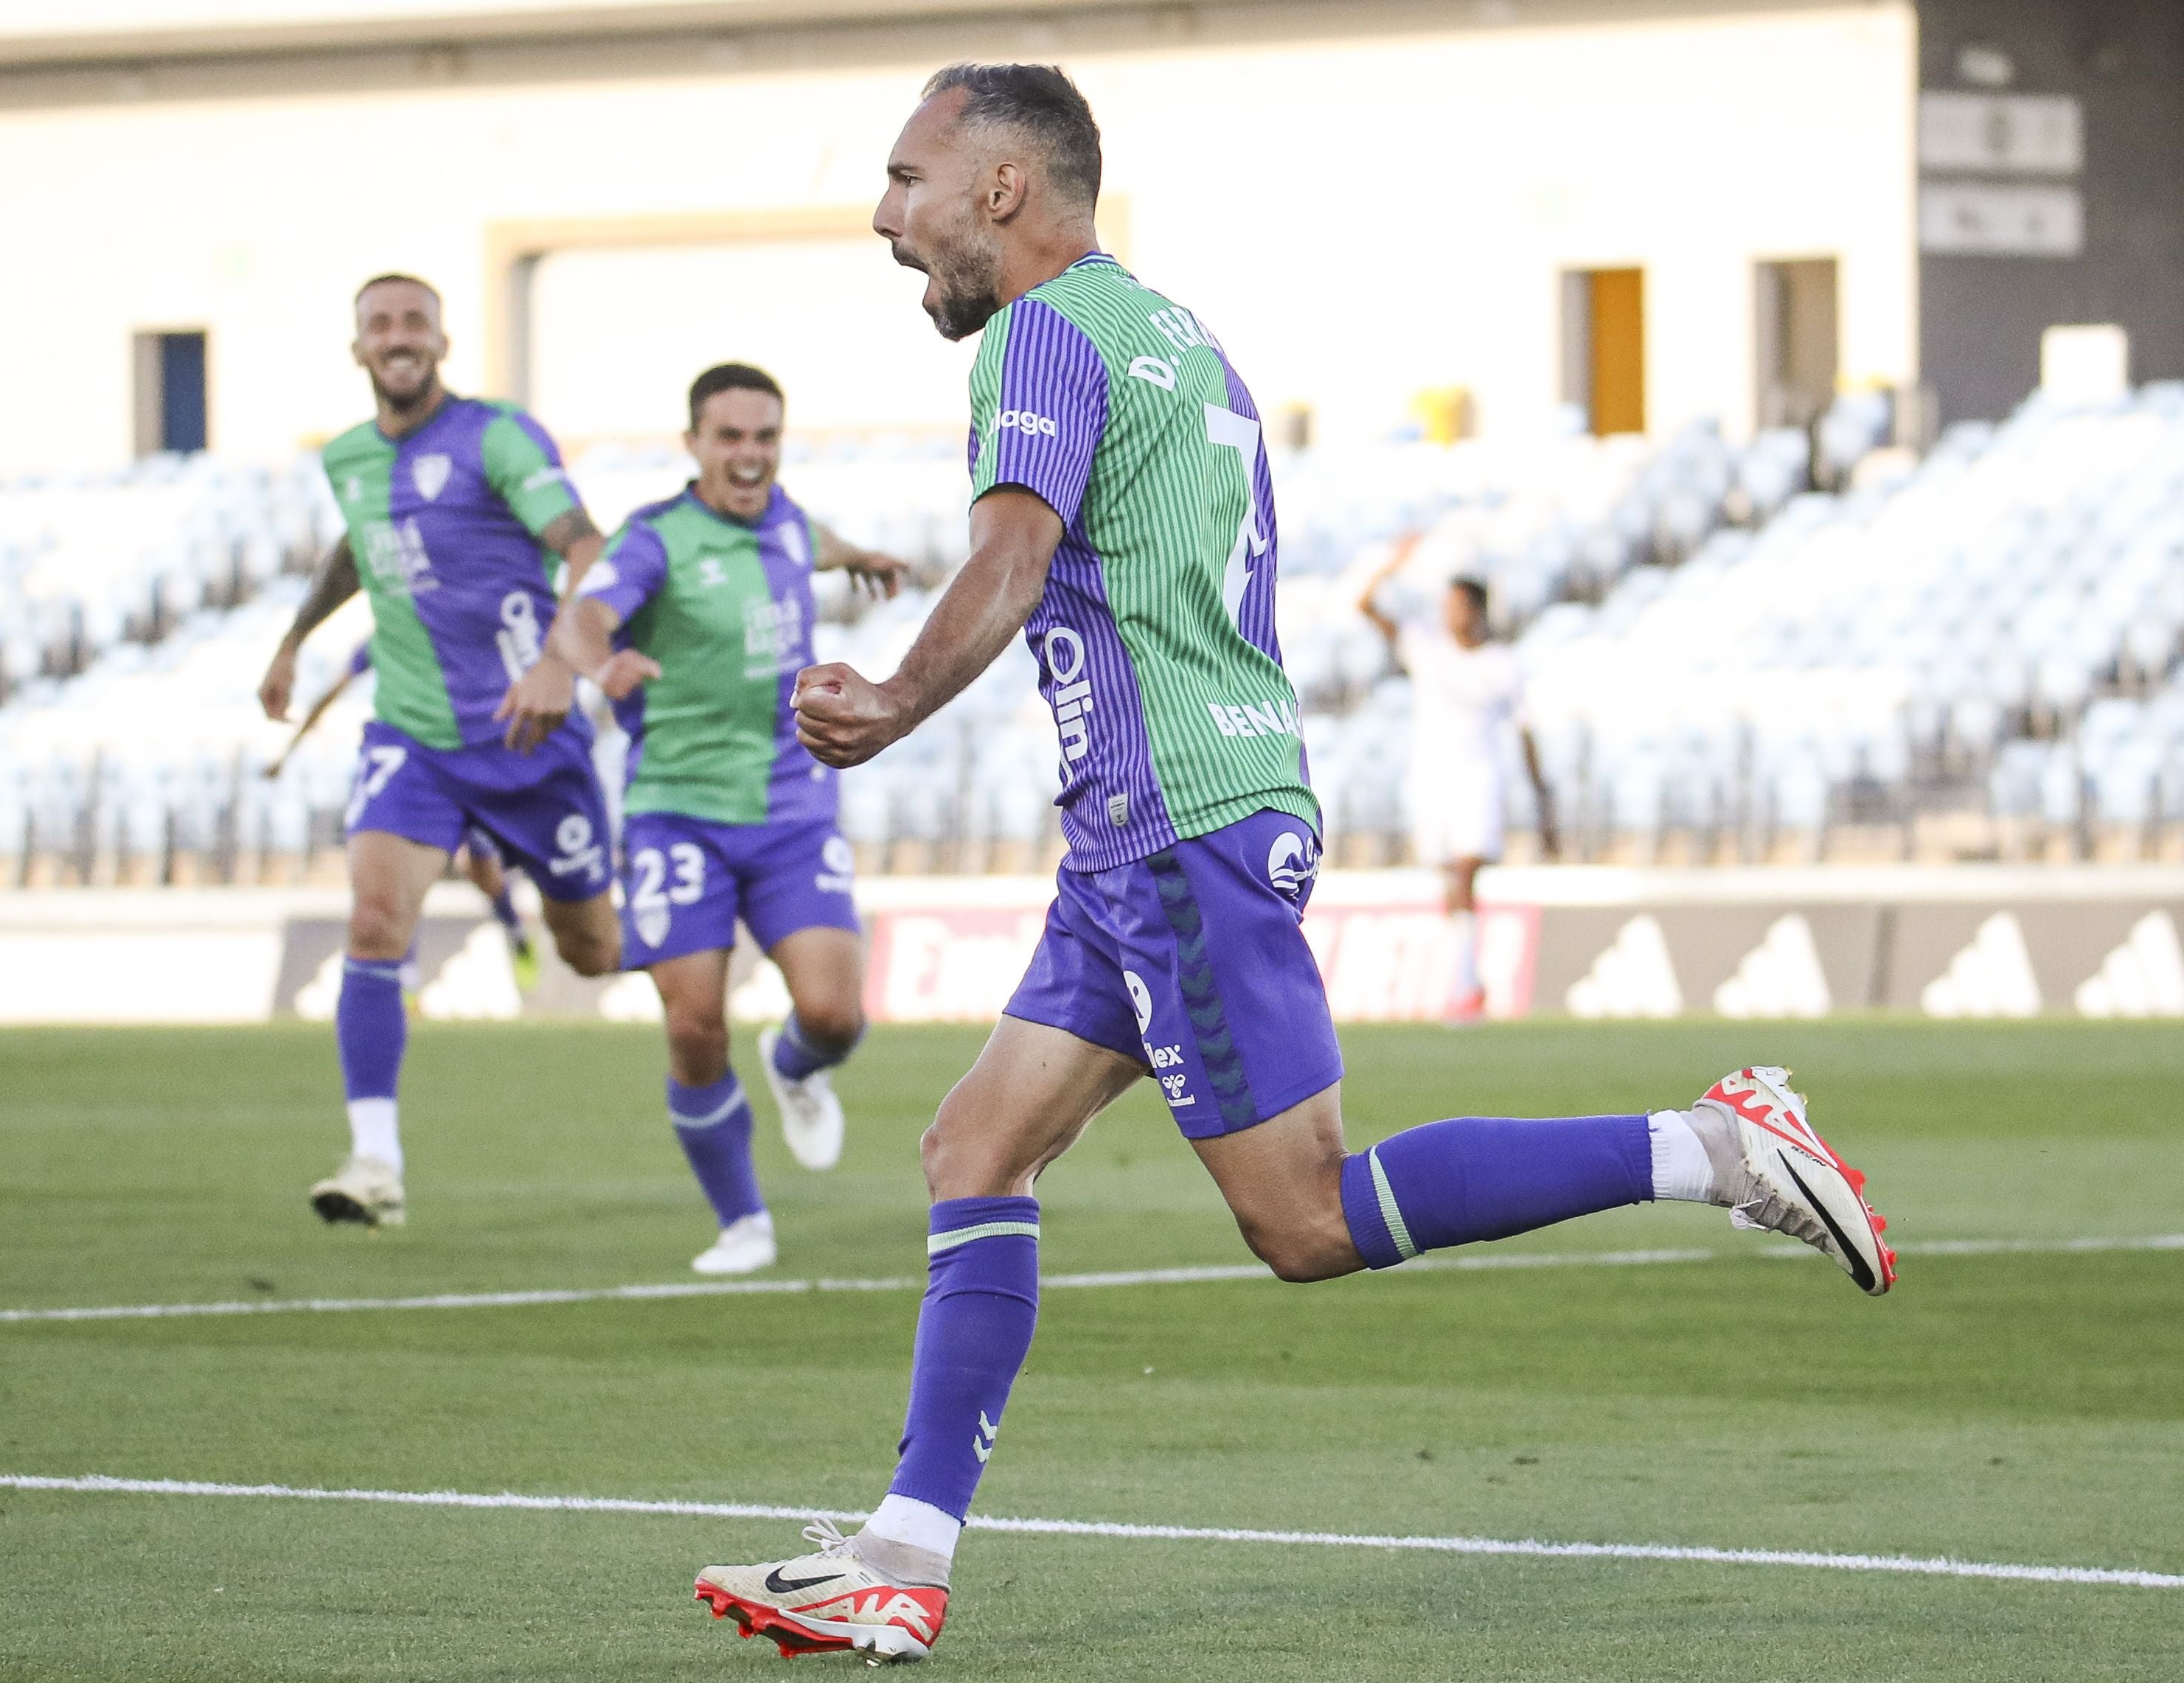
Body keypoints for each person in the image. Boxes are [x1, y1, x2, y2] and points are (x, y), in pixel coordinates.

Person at [690, 63, 1894, 1663]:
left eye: (909, 179)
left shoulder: (1041, 334)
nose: (883, 213)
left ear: (1000, 188)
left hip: (1169, 819)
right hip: (1171, 814)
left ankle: (1713, 1146)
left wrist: (895, 697)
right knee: (971, 1147)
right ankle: (902, 1558)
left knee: (1303, 1219)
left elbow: (1012, 554)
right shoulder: (1175, 335)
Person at [509, 363, 907, 1275]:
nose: (749, 454)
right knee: (693, 1026)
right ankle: (743, 1222)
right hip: (677, 815)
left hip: (790, 809)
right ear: (692, 445)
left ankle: (797, 1068)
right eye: (729, 437)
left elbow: (815, 540)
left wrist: (865, 559)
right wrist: (600, 664)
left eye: (764, 437)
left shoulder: (786, 522)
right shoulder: (657, 539)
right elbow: (582, 616)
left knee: (835, 1013)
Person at [257, 273, 620, 1229]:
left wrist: (557, 660)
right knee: (375, 919)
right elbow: (360, 544)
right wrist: (294, 639)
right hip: (414, 736)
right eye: (380, 324)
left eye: (415, 321)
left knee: (594, 952)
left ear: (443, 341)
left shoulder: (497, 436)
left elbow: (586, 545)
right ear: (358, 350)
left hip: (530, 737)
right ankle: (375, 1160)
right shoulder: (348, 458)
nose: (398, 337)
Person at [1357, 537, 1557, 1022]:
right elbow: (1365, 604)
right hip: (1429, 777)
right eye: (1445, 606)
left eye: (1457, 606)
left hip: (1477, 776)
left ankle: (1466, 985)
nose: (1448, 614)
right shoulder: (1426, 647)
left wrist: (1544, 798)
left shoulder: (1501, 663)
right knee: (1449, 876)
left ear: (1478, 610)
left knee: (1467, 870)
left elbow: (1526, 731)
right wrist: (1393, 562)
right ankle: (1465, 976)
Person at [272, 642, 540, 991]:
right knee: (400, 879)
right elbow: (334, 690)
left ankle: (514, 927)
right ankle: (407, 983)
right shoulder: (387, 634)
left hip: (471, 763)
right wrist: (289, 749)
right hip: (413, 773)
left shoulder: (461, 625)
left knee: (480, 871)